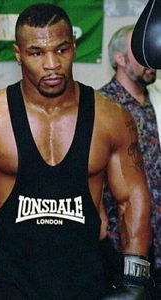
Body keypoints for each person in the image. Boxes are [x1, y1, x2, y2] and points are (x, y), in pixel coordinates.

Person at [0, 4, 152, 300]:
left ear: (74, 47)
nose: (52, 64)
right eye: (37, 53)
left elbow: (132, 197)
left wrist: (134, 276)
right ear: (18, 54)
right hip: (11, 281)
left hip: (87, 278)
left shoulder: (111, 119)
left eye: (61, 50)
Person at [99, 24, 161, 297]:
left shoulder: (157, 101)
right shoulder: (102, 106)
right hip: (118, 239)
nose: (151, 61)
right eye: (141, 54)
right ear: (120, 59)